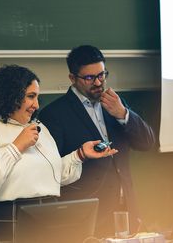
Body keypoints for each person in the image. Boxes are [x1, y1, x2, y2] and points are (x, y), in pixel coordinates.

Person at [0, 64, 118, 243]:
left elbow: (52, 177)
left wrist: (80, 155)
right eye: (30, 96)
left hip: (46, 219)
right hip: (4, 220)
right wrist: (16, 147)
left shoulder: (39, 128)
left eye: (37, 97)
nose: (36, 105)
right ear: (10, 96)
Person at [38, 45, 155, 238]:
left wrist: (123, 114)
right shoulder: (54, 114)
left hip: (126, 210)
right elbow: (51, 169)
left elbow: (146, 143)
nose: (98, 82)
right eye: (90, 78)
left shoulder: (116, 103)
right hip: (86, 218)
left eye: (102, 75)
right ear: (72, 78)